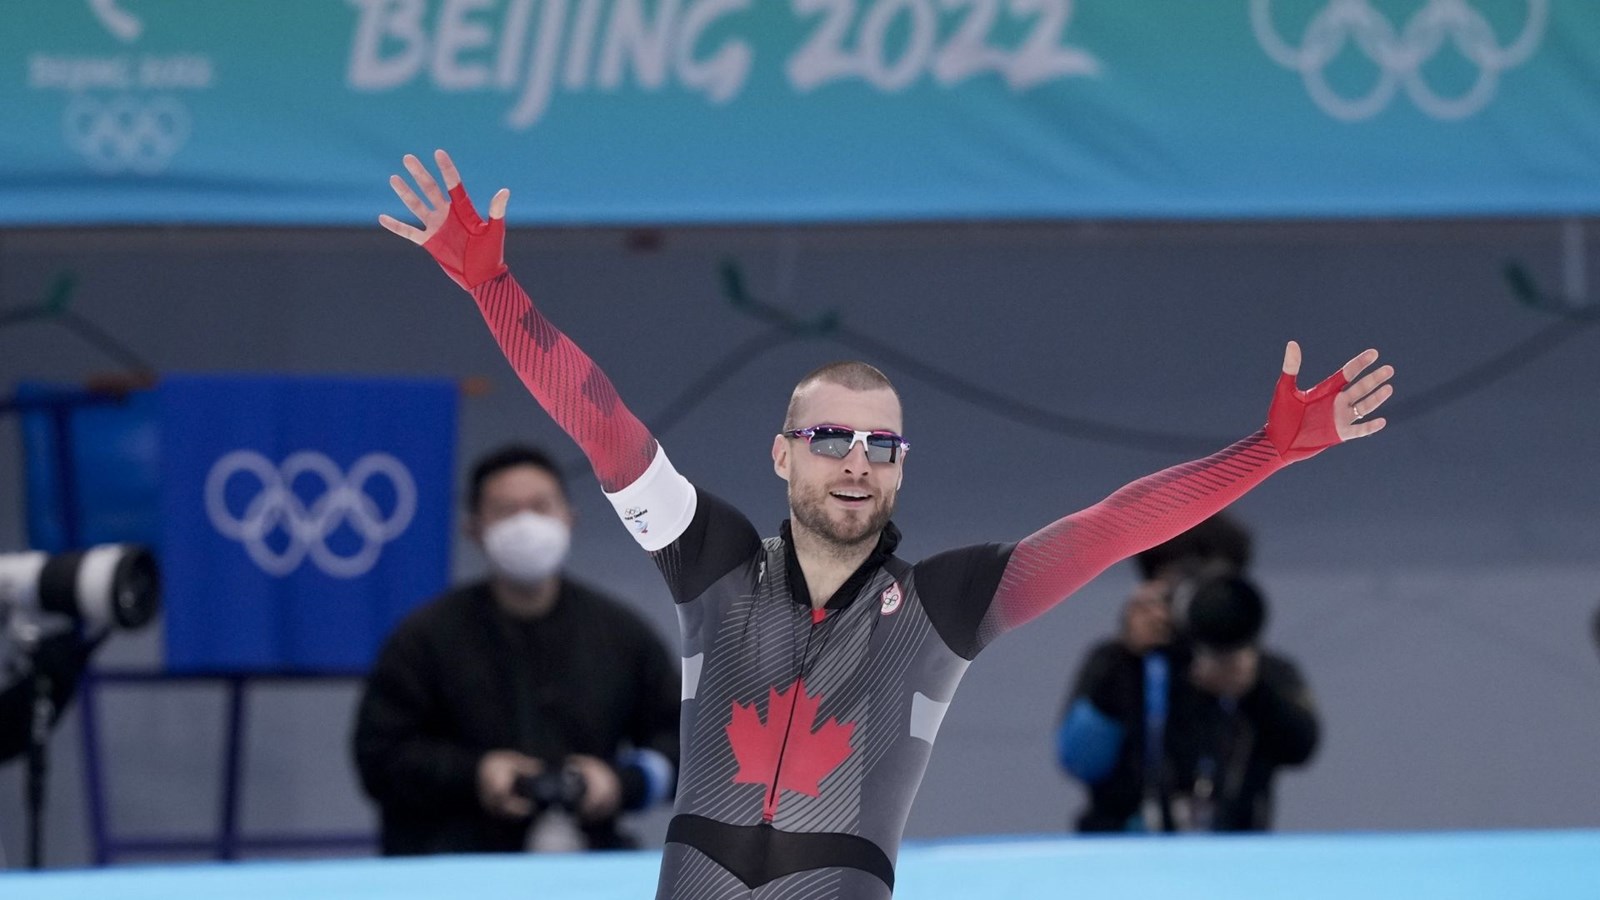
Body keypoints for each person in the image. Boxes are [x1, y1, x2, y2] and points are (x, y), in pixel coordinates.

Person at [377, 149, 1395, 898]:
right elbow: (601, 421)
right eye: (830, 437)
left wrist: (1263, 453)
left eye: (881, 446)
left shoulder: (948, 603)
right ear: (781, 453)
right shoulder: (710, 559)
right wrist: (494, 288)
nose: (857, 460)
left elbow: (1115, 526)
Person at [351, 444, 681, 855]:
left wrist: (620, 782)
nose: (526, 522)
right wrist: (475, 774)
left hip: (590, 862)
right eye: (506, 510)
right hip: (452, 861)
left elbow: (684, 741)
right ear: (475, 529)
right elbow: (379, 756)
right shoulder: (424, 638)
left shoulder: (622, 634)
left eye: (541, 506)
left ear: (569, 518)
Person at [1056, 566, 1319, 832]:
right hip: (1124, 846)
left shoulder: (1262, 671)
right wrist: (1128, 661)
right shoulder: (1119, 663)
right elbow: (1081, 761)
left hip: (1234, 849)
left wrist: (1254, 691)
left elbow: (1301, 748)